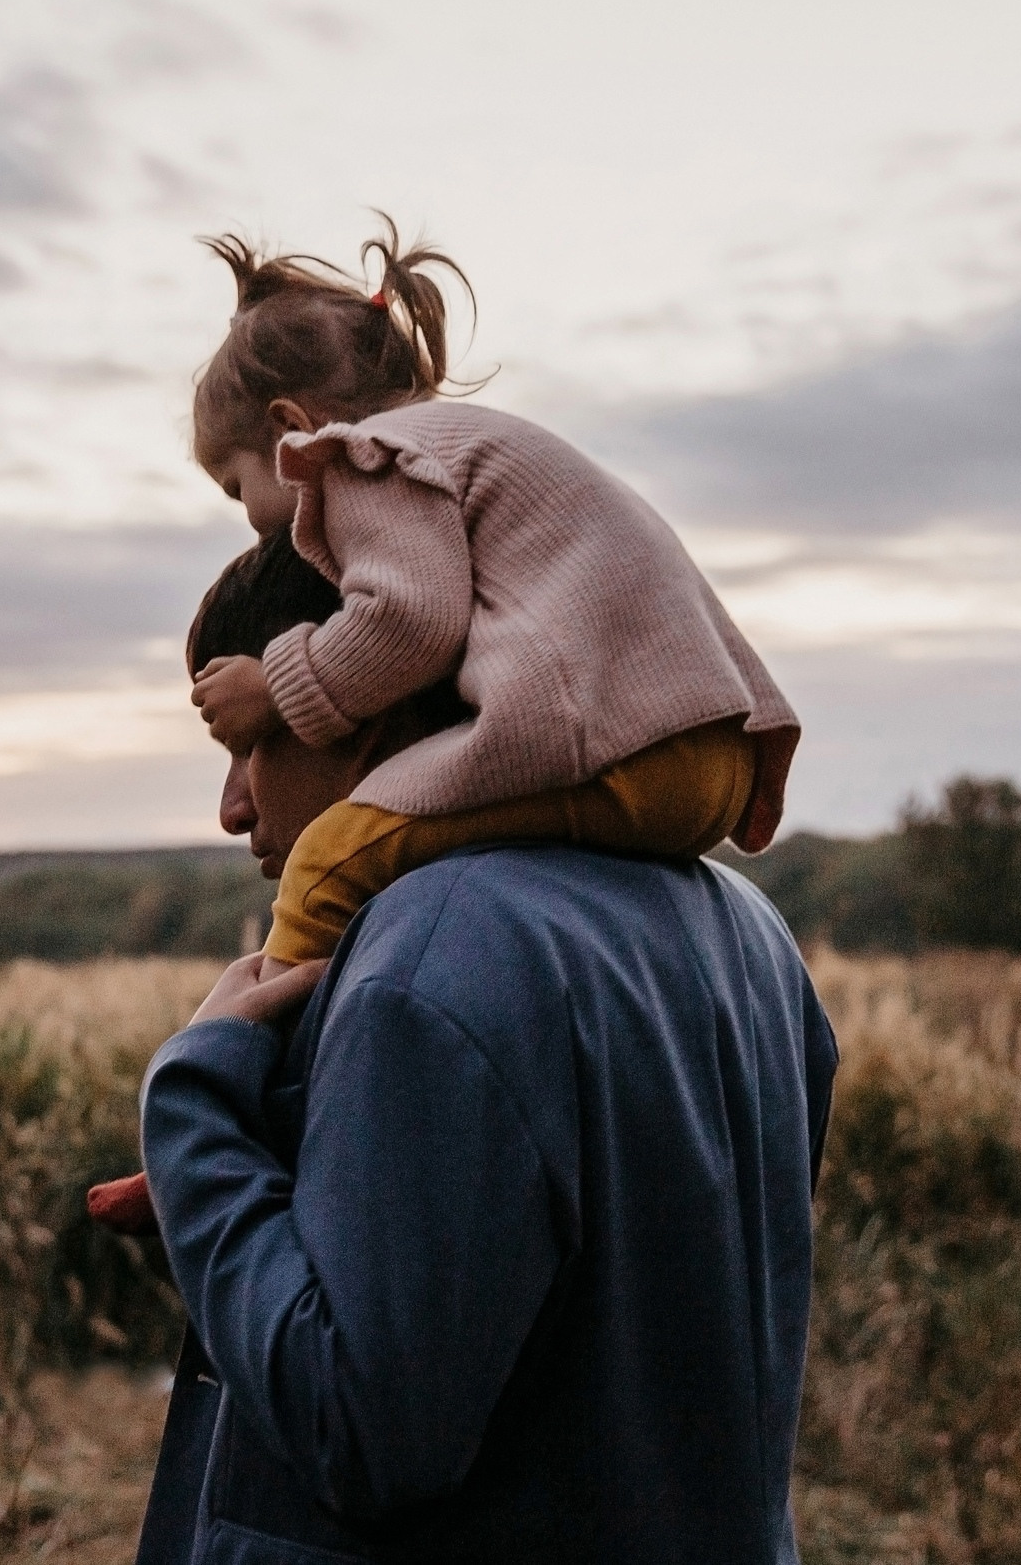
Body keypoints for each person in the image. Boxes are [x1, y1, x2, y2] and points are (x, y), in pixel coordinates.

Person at [131, 532, 839, 1564]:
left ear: (359, 708)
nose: (234, 804)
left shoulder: (433, 952)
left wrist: (193, 1099)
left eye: (255, 745)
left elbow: (357, 1434)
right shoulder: (743, 925)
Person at [186, 218, 801, 969]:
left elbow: (411, 621)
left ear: (292, 430)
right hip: (716, 749)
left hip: (616, 751)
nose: (251, 522)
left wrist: (277, 689)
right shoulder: (468, 444)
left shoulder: (366, 460)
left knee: (328, 861)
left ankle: (271, 1011)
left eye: (236, 486)